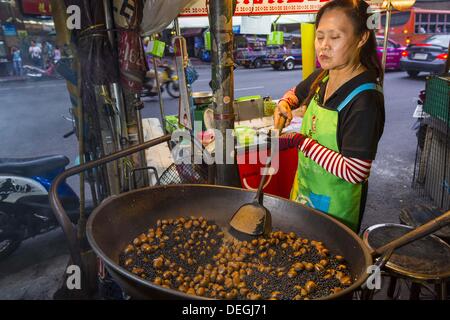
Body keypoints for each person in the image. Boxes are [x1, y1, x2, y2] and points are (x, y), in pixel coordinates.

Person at [274, 0, 385, 232]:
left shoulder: (364, 99)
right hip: (306, 190)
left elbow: (355, 171)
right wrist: (284, 103)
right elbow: (295, 93)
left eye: (334, 38)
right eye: (320, 36)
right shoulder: (323, 75)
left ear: (362, 38)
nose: (323, 46)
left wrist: (299, 141)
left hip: (337, 208)